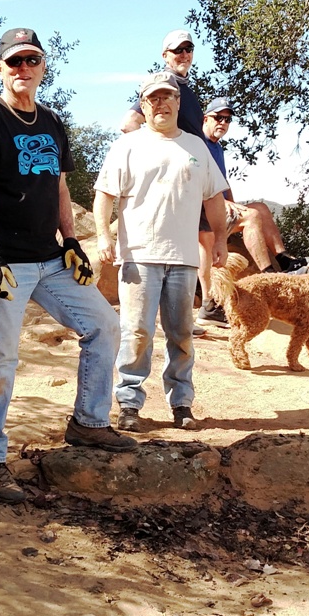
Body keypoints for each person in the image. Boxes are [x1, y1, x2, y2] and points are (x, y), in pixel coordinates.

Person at [0, 27, 137, 504]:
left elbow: (59, 189)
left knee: (105, 325)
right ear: (0, 67)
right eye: (14, 61)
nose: (23, 69)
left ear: (42, 67)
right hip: (4, 264)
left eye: (31, 61)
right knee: (1, 356)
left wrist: (73, 241)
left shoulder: (53, 122)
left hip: (50, 258)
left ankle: (89, 422)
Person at [95, 71, 229, 431]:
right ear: (144, 105)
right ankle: (128, 403)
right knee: (136, 332)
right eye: (153, 98)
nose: (161, 103)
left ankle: (182, 404)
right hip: (138, 256)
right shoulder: (127, 145)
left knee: (182, 334)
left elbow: (214, 198)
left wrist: (219, 240)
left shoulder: (197, 147)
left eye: (167, 96)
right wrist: (104, 237)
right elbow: (104, 194)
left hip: (184, 258)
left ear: (178, 102)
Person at [196, 97, 309, 329]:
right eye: (218, 118)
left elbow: (222, 181)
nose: (222, 123)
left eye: (227, 119)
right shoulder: (198, 144)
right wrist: (223, 206)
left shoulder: (216, 146)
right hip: (204, 212)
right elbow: (199, 182)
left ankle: (286, 262)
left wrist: (231, 203)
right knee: (252, 217)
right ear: (205, 118)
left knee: (260, 208)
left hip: (219, 208)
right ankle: (269, 277)